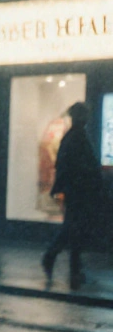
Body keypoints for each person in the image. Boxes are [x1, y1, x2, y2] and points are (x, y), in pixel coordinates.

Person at [43, 102, 102, 289]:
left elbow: (64, 165)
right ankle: (61, 263)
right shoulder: (77, 137)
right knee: (74, 229)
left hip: (76, 190)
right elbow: (78, 166)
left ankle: (67, 265)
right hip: (79, 191)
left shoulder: (73, 137)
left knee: (73, 229)